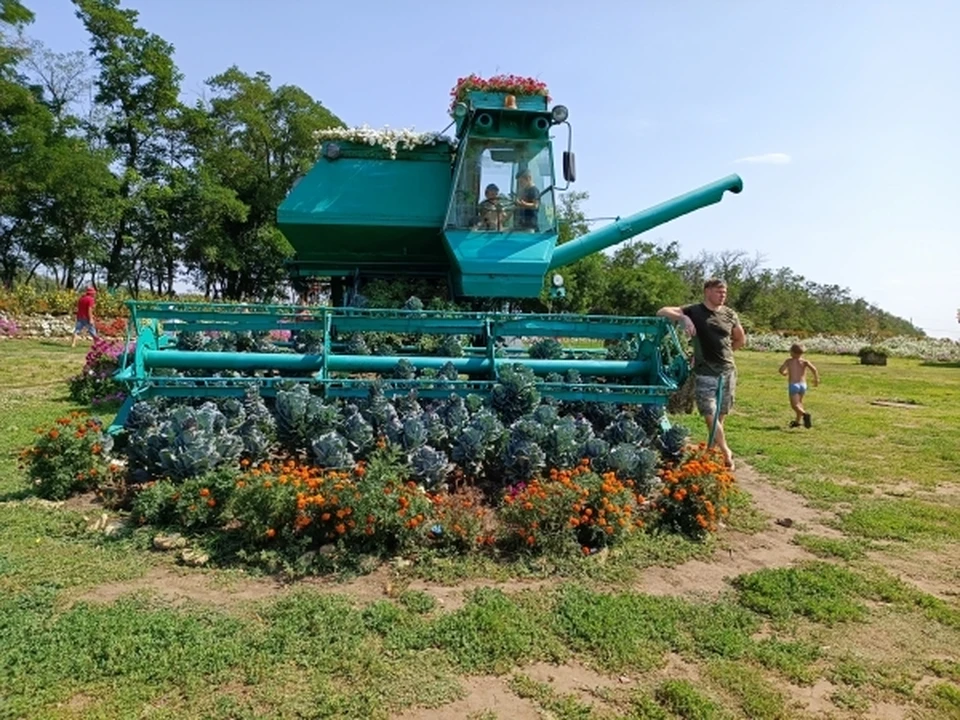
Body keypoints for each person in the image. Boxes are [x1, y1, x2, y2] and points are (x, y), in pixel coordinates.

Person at [657, 278, 745, 469]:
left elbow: (739, 339)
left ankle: (710, 452)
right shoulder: (694, 310)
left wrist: (726, 354)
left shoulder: (730, 314)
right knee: (709, 413)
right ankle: (725, 451)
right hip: (705, 372)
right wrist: (683, 318)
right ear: (707, 292)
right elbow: (662, 311)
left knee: (720, 414)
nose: (723, 295)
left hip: (728, 371)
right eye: (718, 292)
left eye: (725, 292)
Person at [778, 343, 820, 428]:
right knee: (799, 403)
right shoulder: (804, 362)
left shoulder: (789, 361)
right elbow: (814, 369)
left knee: (795, 405)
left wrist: (784, 373)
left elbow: (781, 370)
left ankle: (805, 415)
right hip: (803, 385)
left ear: (792, 352)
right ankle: (797, 421)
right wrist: (816, 379)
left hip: (793, 385)